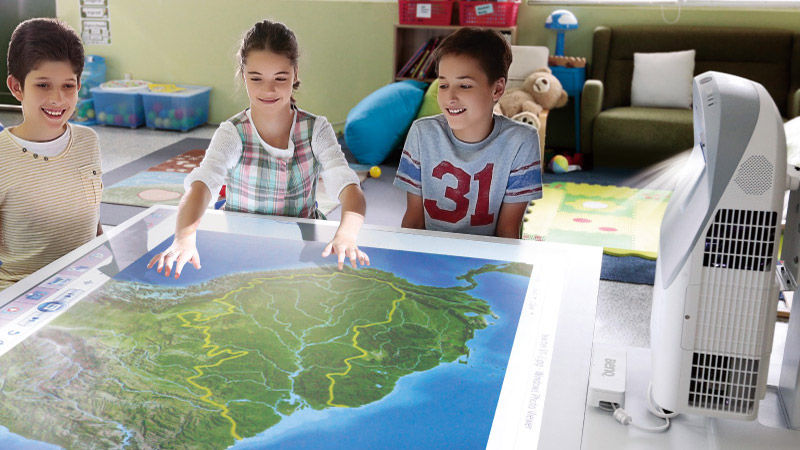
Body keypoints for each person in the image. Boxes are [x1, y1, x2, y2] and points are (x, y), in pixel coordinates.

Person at [148, 19, 369, 278]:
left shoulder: (316, 129)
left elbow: (348, 187)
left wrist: (347, 234)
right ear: (243, 76)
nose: (269, 89)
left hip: (300, 241)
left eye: (280, 77)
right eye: (256, 78)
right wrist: (184, 237)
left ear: (295, 74)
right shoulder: (232, 132)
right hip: (242, 240)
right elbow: (201, 186)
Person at [394, 28, 542, 238]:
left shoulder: (521, 141)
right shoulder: (422, 133)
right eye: (443, 85)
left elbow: (508, 230)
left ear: (497, 89)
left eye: (464, 85)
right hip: (429, 254)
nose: (450, 97)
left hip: (487, 258)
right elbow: (414, 221)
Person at [0, 18, 103, 292]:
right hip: (21, 297)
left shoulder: (88, 141)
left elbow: (93, 221)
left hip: (85, 284)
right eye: (43, 85)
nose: (58, 99)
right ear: (16, 87)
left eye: (68, 86)